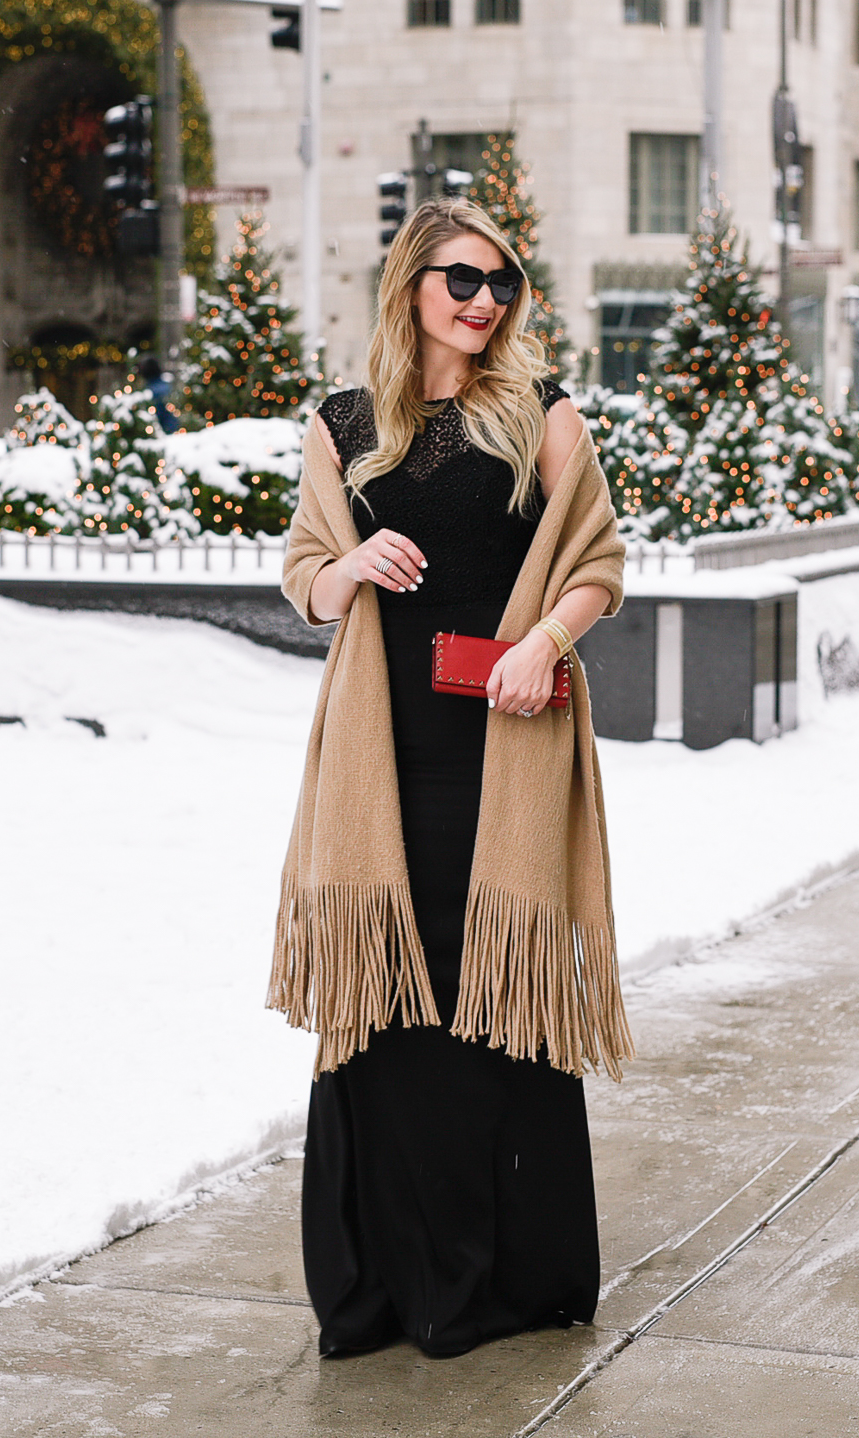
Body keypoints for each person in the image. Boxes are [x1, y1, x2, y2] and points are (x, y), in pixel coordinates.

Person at [268, 197, 633, 1359]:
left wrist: (546, 641)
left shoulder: (543, 417)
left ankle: (492, 1280)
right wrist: (352, 565)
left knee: (491, 1000)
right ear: (411, 283)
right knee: (388, 1005)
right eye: (463, 280)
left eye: (503, 285)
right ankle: (381, 1286)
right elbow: (303, 578)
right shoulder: (343, 425)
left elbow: (600, 565)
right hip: (385, 762)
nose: (485, 303)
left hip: (508, 748)